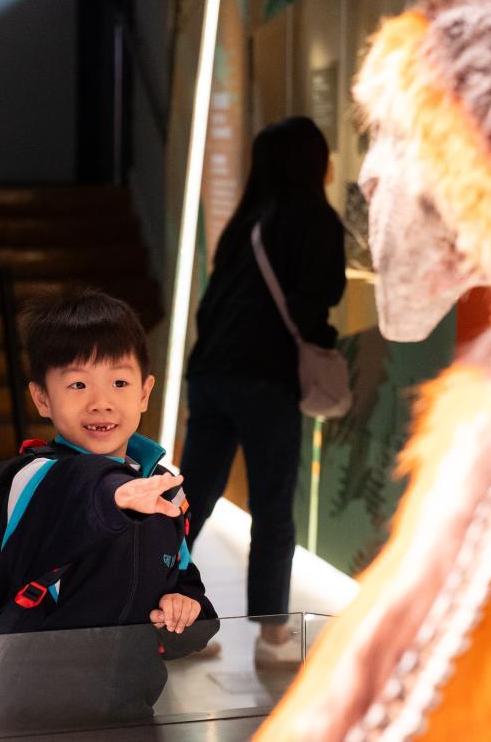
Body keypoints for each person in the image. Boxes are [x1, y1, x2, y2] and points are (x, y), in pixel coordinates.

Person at [181, 116, 346, 666]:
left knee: (189, 502)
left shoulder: (246, 221)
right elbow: (317, 300)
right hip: (265, 378)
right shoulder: (314, 220)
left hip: (210, 372)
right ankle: (274, 637)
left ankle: (157, 618)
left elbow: (210, 307)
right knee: (272, 507)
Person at [0, 290, 215, 636]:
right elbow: (79, 489)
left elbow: (185, 579)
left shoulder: (164, 492)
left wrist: (185, 607)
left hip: (132, 671)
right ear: (42, 398)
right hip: (37, 671)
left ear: (144, 393)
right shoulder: (34, 478)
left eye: (119, 382)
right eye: (78, 384)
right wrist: (115, 495)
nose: (101, 402)